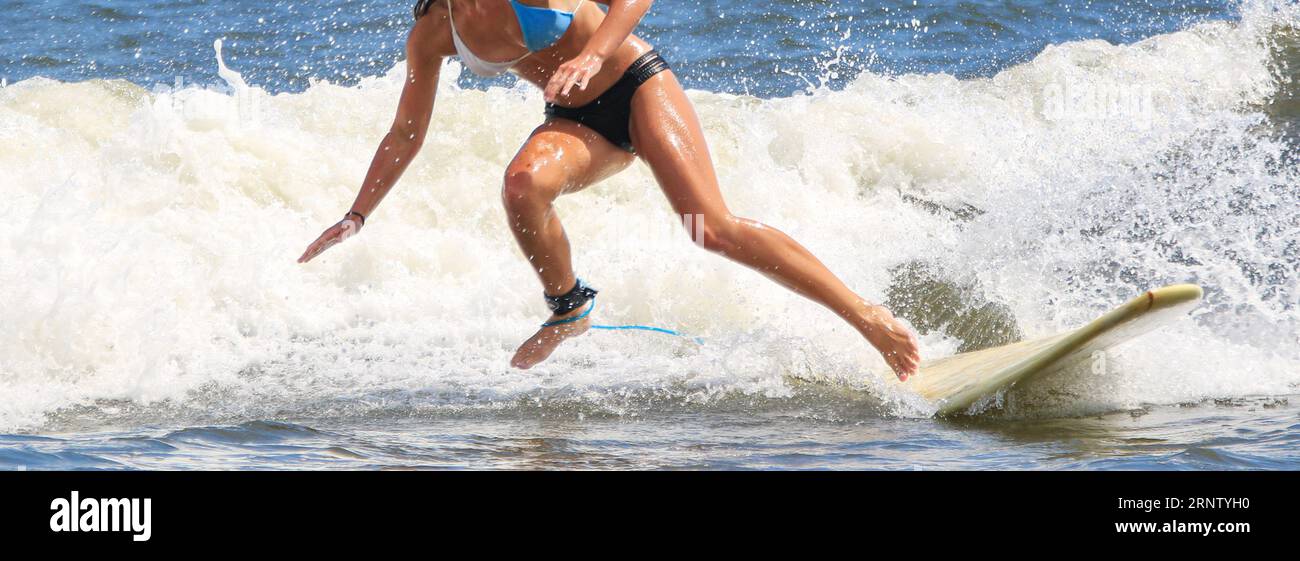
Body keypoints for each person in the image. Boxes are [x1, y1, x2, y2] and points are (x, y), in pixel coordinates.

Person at [298, 0, 922, 379]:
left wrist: (594, 56)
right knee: (521, 185)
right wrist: (358, 214)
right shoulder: (436, 31)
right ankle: (570, 305)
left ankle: (866, 317)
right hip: (576, 124)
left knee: (709, 229)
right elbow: (406, 131)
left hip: (637, 86)